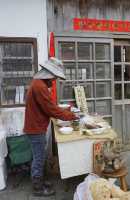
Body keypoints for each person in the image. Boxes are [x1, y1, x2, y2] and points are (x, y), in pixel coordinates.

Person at [23, 57, 78, 197]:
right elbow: (51, 110)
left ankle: (40, 181)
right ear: (48, 74)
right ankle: (38, 188)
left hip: (35, 126)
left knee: (39, 156)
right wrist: (72, 116)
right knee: (39, 158)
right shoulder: (40, 86)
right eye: (53, 78)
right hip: (36, 128)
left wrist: (66, 112)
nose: (53, 81)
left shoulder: (38, 84)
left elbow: (50, 107)